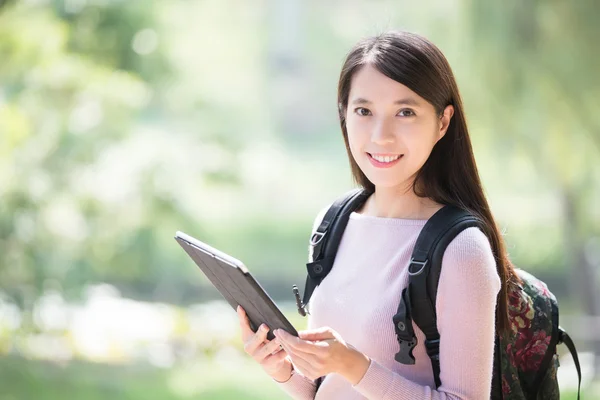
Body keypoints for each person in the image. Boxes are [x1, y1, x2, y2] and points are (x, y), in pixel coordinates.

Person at [237, 30, 520, 399]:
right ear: (344, 114)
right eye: (364, 111)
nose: (381, 136)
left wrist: (354, 366)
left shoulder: (462, 249)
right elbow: (328, 390)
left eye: (405, 112)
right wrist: (283, 370)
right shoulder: (333, 222)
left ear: (442, 122)